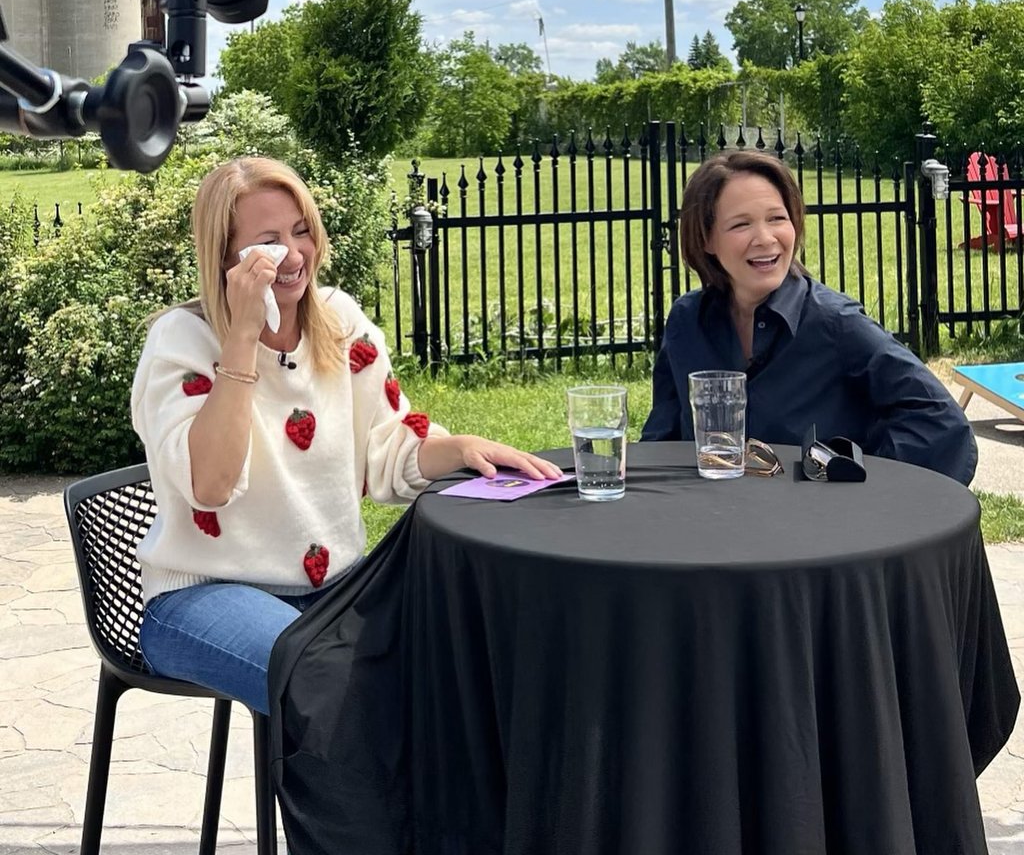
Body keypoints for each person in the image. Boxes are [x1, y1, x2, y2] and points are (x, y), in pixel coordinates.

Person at [131, 156, 561, 715]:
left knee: (472, 655)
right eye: (269, 241)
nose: (294, 253)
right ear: (227, 257)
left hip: (339, 587)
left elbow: (387, 448)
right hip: (205, 594)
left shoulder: (339, 321)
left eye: (301, 230)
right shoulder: (181, 341)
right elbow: (209, 486)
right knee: (336, 685)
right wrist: (241, 337)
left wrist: (457, 448)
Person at [641, 150, 978, 485]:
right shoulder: (687, 323)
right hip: (714, 526)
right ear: (706, 238)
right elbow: (661, 445)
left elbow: (943, 426)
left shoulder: (835, 324)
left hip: (817, 534)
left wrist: (854, 483)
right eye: (741, 224)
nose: (766, 238)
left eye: (777, 218)